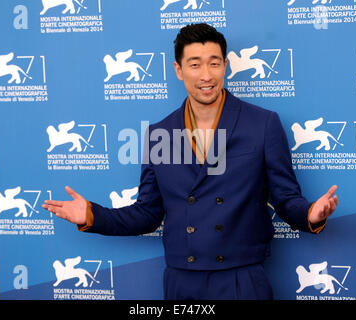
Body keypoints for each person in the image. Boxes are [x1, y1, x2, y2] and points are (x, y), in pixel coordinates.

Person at [42, 23, 338, 300]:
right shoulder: (160, 133)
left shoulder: (262, 124)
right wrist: (92, 215)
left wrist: (312, 213)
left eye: (214, 62)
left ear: (225, 65)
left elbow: (286, 199)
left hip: (242, 279)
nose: (206, 75)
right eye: (195, 64)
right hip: (182, 281)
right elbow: (147, 213)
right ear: (179, 70)